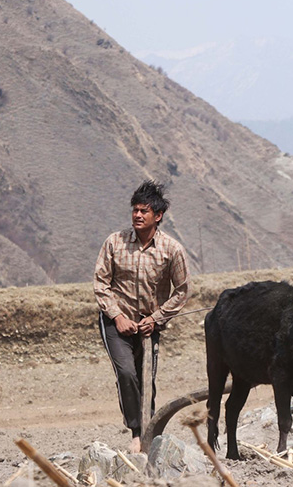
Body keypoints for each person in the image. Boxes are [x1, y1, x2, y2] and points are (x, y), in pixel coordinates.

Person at [94, 180, 191, 453]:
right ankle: (136, 433)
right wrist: (117, 316)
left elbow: (182, 291)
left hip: (149, 325)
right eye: (135, 210)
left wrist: (157, 318)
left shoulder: (172, 250)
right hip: (115, 322)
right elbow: (101, 284)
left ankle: (149, 432)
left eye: (144, 211)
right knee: (126, 372)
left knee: (146, 377)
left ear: (157, 216)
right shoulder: (115, 242)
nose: (137, 215)